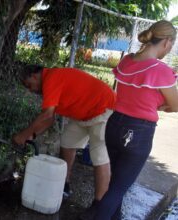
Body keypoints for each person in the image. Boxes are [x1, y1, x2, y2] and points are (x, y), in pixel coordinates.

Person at [92, 20, 177, 220]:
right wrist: (162, 106)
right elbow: (176, 105)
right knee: (118, 188)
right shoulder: (161, 70)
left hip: (113, 125)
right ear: (166, 42)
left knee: (115, 184)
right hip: (138, 132)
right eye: (172, 45)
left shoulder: (127, 61)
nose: (170, 49)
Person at [12, 65, 116, 212]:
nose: (31, 90)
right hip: (84, 116)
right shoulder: (51, 81)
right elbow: (49, 120)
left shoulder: (52, 78)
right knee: (67, 142)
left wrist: (22, 136)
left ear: (35, 76)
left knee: (99, 155)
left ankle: (100, 206)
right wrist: (31, 136)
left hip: (103, 110)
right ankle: (64, 185)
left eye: (29, 85)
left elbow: (47, 115)